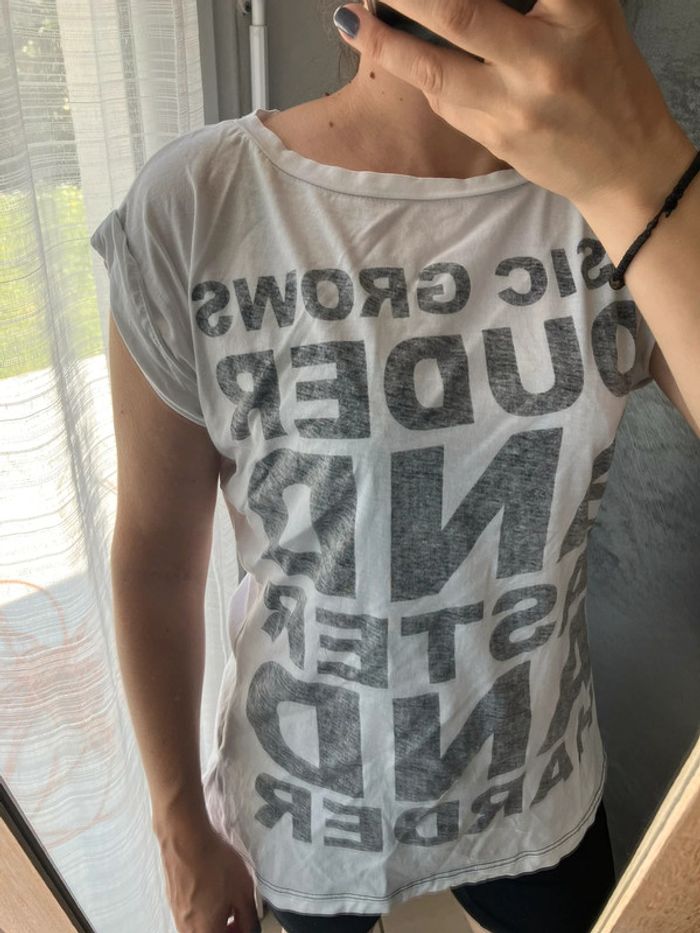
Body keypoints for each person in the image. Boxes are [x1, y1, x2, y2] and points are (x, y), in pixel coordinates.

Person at [90, 1, 661, 931]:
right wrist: (178, 823)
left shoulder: (625, 207)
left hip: (538, 798)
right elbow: (158, 559)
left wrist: (648, 163)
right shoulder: (199, 203)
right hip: (305, 814)